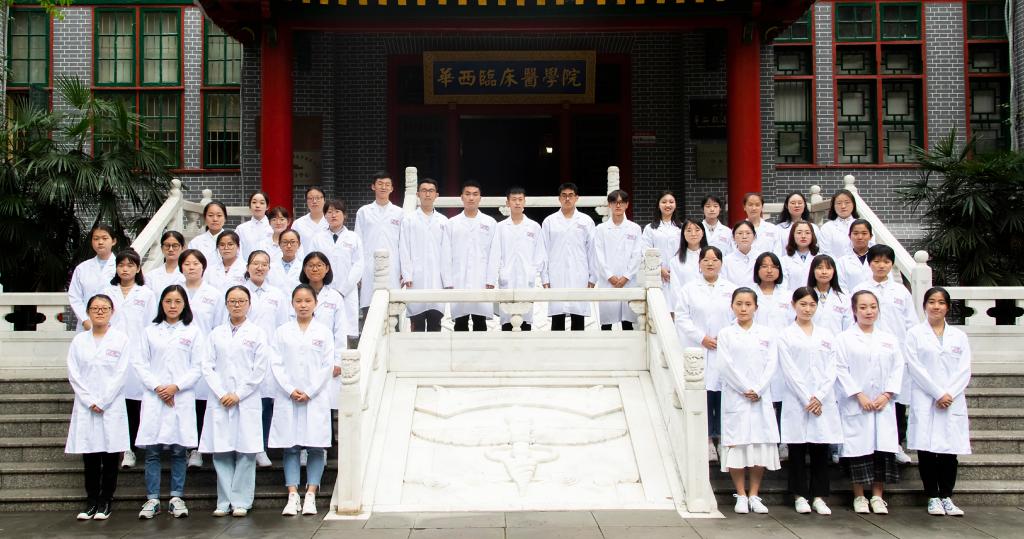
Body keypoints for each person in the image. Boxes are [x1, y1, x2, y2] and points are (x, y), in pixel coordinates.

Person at [199, 285, 271, 517]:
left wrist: (238, 394)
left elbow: (259, 369)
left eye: (241, 301)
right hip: (220, 399)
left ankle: (241, 501)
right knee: (221, 451)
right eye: (232, 301)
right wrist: (222, 393)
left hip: (246, 400)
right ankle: (224, 501)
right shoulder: (215, 334)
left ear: (249, 304)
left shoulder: (257, 334)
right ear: (226, 304)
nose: (237, 305)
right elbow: (207, 366)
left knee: (246, 451)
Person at [134, 285, 204, 519]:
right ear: (161, 304)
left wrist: (176, 387)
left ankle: (176, 497)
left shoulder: (193, 332)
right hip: (155, 397)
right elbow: (140, 364)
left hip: (181, 396)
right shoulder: (149, 331)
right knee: (152, 452)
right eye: (168, 301)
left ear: (185, 305)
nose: (172, 306)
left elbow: (198, 367)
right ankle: (152, 498)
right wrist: (158, 387)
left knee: (178, 451)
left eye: (177, 302)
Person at [904, 287, 971, 517]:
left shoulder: (959, 336)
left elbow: (964, 369)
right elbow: (915, 367)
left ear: (947, 307)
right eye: (931, 302)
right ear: (924, 306)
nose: (936, 306)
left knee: (949, 451)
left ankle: (947, 497)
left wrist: (949, 393)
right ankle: (933, 496)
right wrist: (937, 393)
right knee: (927, 449)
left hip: (952, 399)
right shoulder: (914, 334)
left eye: (941, 302)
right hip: (926, 397)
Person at [836, 290, 905, 515]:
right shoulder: (844, 339)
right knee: (858, 450)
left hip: (883, 404)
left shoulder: (888, 339)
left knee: (881, 451)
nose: (869, 311)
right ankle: (859, 496)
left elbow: (898, 368)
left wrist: (887, 394)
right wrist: (859, 395)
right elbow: (840, 369)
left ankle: (877, 496)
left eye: (873, 307)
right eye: (863, 307)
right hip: (857, 404)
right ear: (854, 310)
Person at [270, 285, 336, 516]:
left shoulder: (323, 332)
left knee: (316, 446)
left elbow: (327, 365)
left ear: (315, 303)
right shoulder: (282, 332)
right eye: (298, 301)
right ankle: (292, 495)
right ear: (292, 304)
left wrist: (309, 391)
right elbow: (276, 363)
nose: (303, 305)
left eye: (308, 300)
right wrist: (290, 389)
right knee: (291, 447)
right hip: (288, 396)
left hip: (315, 397)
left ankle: (310, 494)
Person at [66, 294, 131, 521]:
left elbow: (121, 373)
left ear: (112, 311)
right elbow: (73, 373)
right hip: (86, 405)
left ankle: (106, 500)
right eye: (95, 308)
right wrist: (88, 399)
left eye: (104, 308)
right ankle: (91, 500)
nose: (100, 312)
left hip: (110, 405)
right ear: (88, 312)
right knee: (90, 455)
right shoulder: (79, 341)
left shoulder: (121, 340)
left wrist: (103, 400)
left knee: (110, 454)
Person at [778, 287, 842, 515]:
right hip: (798, 400)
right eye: (803, 304)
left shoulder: (826, 335)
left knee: (820, 449)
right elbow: (789, 370)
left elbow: (832, 367)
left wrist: (820, 396)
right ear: (793, 305)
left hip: (822, 400)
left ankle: (819, 496)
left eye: (812, 304)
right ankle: (799, 495)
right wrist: (807, 397)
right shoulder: (786, 335)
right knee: (797, 450)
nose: (807, 309)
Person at [852, 244, 918, 464]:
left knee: (895, 398)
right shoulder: (860, 289)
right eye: (877, 261)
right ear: (869, 263)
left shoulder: (901, 291)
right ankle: (867, 443)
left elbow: (911, 323)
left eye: (886, 262)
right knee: (867, 397)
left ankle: (896, 443)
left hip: (894, 353)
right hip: (866, 351)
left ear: (892, 265)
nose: (881, 265)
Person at [717, 287, 780, 515]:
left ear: (756, 307)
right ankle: (741, 495)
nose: (743, 308)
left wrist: (759, 388)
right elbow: (725, 365)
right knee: (738, 445)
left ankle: (754, 494)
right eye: (739, 304)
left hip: (760, 397)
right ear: (732, 306)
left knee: (759, 446)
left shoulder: (767, 334)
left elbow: (772, 363)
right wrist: (745, 388)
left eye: (748, 304)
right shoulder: (726, 334)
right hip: (737, 396)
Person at [674, 245, 737, 461]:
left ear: (721, 263)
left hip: (723, 348)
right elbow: (682, 318)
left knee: (723, 394)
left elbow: (738, 316)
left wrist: (723, 337)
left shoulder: (731, 289)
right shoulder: (689, 289)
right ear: (699, 264)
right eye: (706, 260)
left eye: (715, 260)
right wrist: (702, 337)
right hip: (699, 348)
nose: (710, 263)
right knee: (704, 395)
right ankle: (708, 439)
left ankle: (724, 439)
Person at [102, 249, 157, 469]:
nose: (125, 269)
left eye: (130, 265)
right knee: (114, 401)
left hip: (137, 355)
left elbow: (151, 326)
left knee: (133, 403)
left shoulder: (146, 294)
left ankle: (130, 449)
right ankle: (113, 445)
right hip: (111, 355)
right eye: (121, 265)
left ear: (138, 268)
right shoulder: (107, 293)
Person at [178, 249, 226, 469]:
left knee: (201, 402)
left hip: (205, 352)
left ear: (203, 267)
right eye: (187, 264)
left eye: (196, 263)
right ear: (181, 267)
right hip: (180, 353)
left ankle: (198, 448)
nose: (191, 267)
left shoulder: (213, 294)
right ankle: (184, 446)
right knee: (183, 400)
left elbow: (218, 326)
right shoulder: (174, 292)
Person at [243, 251, 290, 468]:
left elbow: (282, 327)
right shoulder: (239, 292)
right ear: (248, 266)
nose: (260, 268)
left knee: (265, 402)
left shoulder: (276, 295)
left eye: (264, 264)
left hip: (269, 354)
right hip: (243, 354)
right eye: (255, 263)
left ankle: (261, 447)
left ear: (269, 268)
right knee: (246, 402)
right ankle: (247, 446)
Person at [752, 251, 793, 462]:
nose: (769, 270)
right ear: (757, 270)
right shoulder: (750, 293)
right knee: (762, 398)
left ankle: (783, 441)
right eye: (764, 266)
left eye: (773, 266)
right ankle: (763, 442)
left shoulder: (788, 295)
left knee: (783, 398)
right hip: (756, 354)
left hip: (783, 353)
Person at [487, 186, 546, 331]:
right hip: (507, 279)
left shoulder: (534, 227)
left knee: (525, 322)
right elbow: (495, 255)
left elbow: (540, 255)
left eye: (520, 199)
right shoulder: (500, 227)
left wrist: (539, 276)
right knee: (507, 322)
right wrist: (491, 280)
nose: (517, 203)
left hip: (527, 279)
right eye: (514, 200)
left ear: (525, 202)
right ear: (508, 203)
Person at [442, 180, 498, 331]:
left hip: (482, 279)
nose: (471, 198)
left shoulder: (490, 223)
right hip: (458, 279)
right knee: (460, 323)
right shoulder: (452, 223)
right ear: (462, 197)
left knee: (480, 322)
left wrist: (491, 278)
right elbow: (446, 254)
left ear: (480, 198)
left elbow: (494, 253)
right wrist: (447, 280)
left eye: (475, 194)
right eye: (467, 194)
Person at [541, 182, 596, 331]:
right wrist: (545, 277)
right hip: (556, 274)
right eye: (564, 195)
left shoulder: (586, 221)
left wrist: (593, 277)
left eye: (571, 195)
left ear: (577, 198)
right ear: (559, 198)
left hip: (580, 274)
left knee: (578, 317)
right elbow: (543, 251)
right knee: (557, 318)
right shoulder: (549, 221)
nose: (567, 199)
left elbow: (592, 250)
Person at [399, 177, 448, 332]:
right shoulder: (409, 220)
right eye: (424, 191)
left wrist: (447, 279)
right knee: (417, 325)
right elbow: (404, 248)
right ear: (418, 194)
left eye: (431, 191)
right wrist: (407, 275)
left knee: (435, 324)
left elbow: (447, 253)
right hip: (416, 279)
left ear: (436, 195)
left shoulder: (443, 221)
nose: (427, 194)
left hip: (437, 279)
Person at [299, 252, 346, 409]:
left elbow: (340, 330)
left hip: (327, 356)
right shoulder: (297, 294)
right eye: (310, 266)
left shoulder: (335, 297)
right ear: (304, 269)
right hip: (302, 354)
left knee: (324, 404)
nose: (315, 269)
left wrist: (338, 360)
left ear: (327, 269)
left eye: (319, 265)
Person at [311, 199, 363, 342]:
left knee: (345, 333)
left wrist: (343, 290)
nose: (333, 215)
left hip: (347, 291)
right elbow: (312, 263)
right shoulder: (318, 238)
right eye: (329, 212)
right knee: (321, 331)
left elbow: (358, 265)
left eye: (337, 211)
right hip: (322, 290)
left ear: (344, 215)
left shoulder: (353, 238)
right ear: (325, 216)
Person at [593, 190, 643, 331]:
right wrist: (610, 276)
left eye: (621, 202)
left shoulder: (634, 228)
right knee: (606, 323)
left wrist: (626, 276)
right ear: (609, 205)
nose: (618, 205)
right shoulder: (601, 229)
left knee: (628, 323)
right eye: (614, 202)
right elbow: (598, 254)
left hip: (628, 281)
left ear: (627, 204)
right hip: (608, 281)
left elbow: (637, 254)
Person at [356, 172, 403, 315]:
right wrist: (358, 271)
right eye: (380, 184)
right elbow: (358, 243)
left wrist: (404, 270)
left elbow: (403, 244)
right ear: (373, 186)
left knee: (392, 309)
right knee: (369, 308)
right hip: (368, 266)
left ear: (392, 189)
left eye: (387, 185)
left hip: (393, 266)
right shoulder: (363, 212)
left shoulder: (399, 213)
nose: (383, 187)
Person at [69, 224, 118, 331]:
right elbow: (75, 297)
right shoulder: (82, 268)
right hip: (87, 324)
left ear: (113, 241)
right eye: (96, 239)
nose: (100, 242)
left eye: (105, 238)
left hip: (114, 324)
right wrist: (85, 320)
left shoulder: (121, 267)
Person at [641, 191, 682, 308]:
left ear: (675, 205)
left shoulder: (682, 227)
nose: (668, 205)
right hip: (656, 275)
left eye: (671, 202)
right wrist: (660, 269)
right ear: (658, 205)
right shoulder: (650, 228)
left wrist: (675, 268)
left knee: (678, 309)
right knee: (659, 309)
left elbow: (685, 250)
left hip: (677, 273)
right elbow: (645, 251)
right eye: (664, 202)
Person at [665, 218, 707, 311]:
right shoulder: (675, 261)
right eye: (689, 230)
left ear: (703, 233)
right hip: (686, 307)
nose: (693, 234)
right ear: (683, 234)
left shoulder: (711, 257)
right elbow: (675, 289)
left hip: (709, 305)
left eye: (697, 230)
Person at [806, 254, 852, 336]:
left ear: (834, 271)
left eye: (828, 268)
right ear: (813, 270)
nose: (824, 272)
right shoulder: (805, 296)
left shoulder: (844, 298)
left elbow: (848, 327)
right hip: (810, 341)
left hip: (836, 342)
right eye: (819, 268)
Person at [819, 189, 860, 258]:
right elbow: (825, 252)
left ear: (853, 204)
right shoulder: (827, 228)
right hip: (834, 264)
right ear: (833, 206)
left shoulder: (862, 225)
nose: (843, 206)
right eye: (839, 203)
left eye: (847, 202)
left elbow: (870, 248)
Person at [837, 219, 874, 293]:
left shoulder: (878, 259)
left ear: (871, 236)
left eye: (864, 233)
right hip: (850, 299)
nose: (860, 237)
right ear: (849, 236)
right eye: (855, 233)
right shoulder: (842, 261)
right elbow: (841, 286)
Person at [781, 222, 820, 292]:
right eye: (799, 233)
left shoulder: (820, 258)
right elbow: (783, 286)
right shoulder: (784, 260)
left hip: (815, 297)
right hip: (791, 297)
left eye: (807, 233)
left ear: (812, 235)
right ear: (793, 236)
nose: (803, 236)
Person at [146, 231, 186, 295]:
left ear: (183, 248)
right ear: (162, 248)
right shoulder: (151, 276)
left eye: (175, 246)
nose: (170, 249)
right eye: (167, 245)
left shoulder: (187, 274)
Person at [236, 191, 273, 260]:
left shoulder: (273, 228)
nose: (257, 206)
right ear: (250, 206)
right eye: (254, 202)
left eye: (262, 203)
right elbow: (237, 252)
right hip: (247, 265)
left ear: (267, 207)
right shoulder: (241, 229)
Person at [743, 193, 782, 257]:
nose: (754, 208)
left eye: (757, 205)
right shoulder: (738, 229)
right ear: (744, 207)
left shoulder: (773, 229)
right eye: (750, 205)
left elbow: (777, 253)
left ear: (762, 207)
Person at [722, 221, 758, 289]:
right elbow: (724, 284)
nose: (744, 236)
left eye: (748, 233)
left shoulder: (761, 258)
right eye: (740, 233)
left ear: (754, 236)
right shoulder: (725, 261)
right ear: (733, 237)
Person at [267, 229, 304, 293]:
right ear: (279, 244)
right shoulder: (270, 267)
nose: (289, 246)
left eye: (292, 242)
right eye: (285, 242)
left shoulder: (304, 268)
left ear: (299, 245)